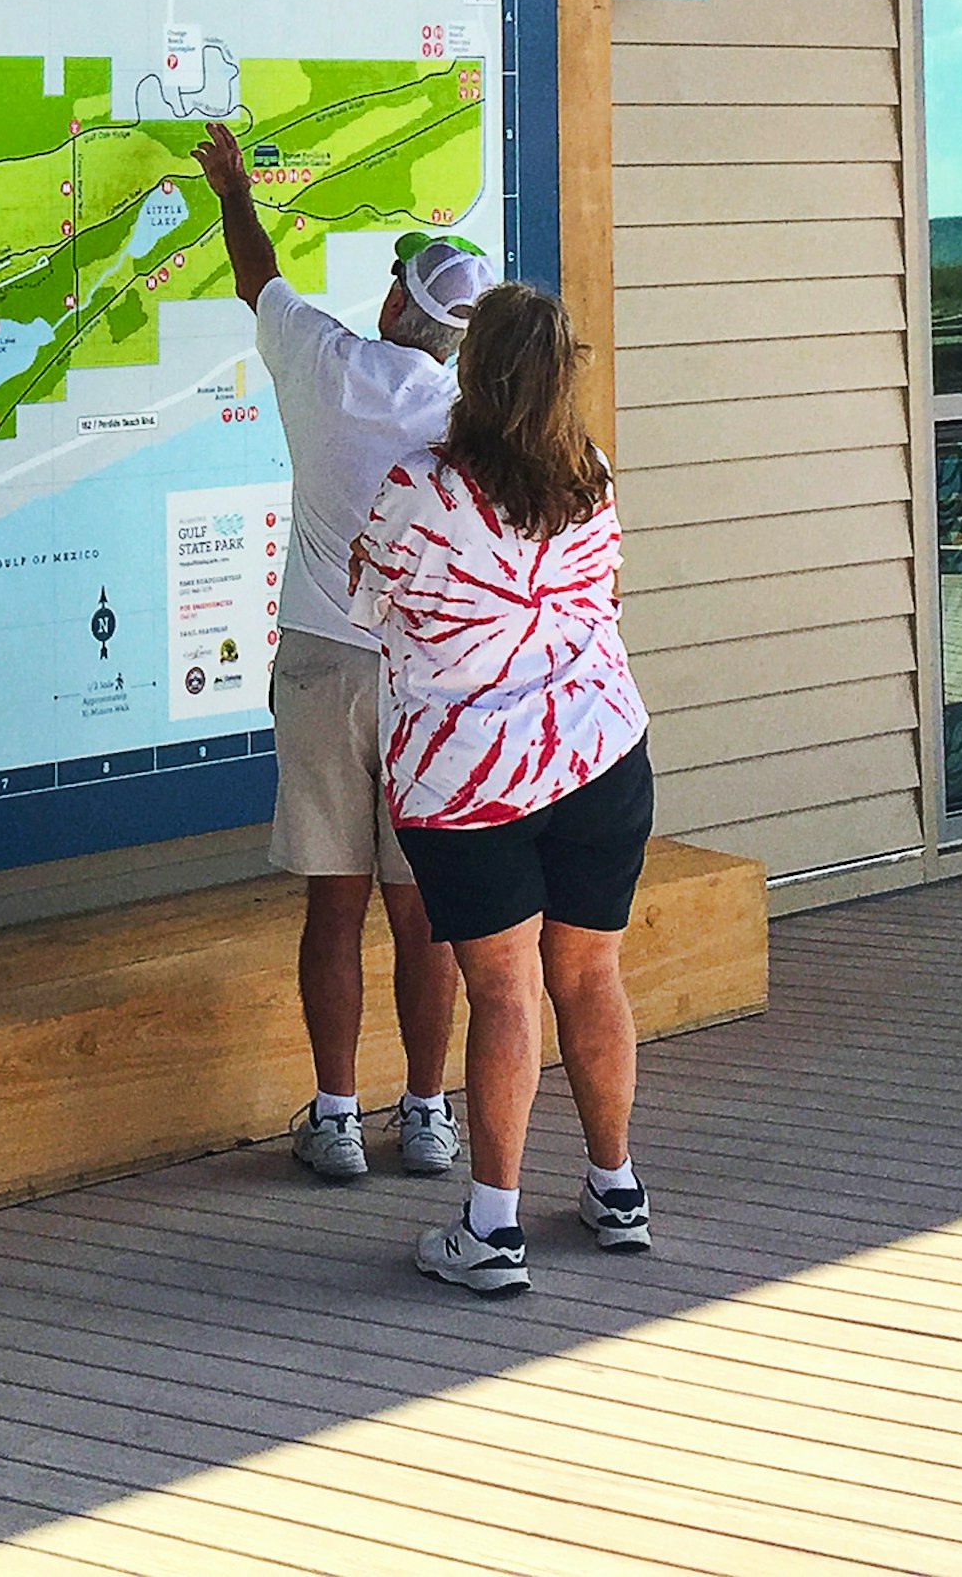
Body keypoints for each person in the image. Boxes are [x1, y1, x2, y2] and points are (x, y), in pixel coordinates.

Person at [190, 120, 484, 1185]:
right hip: (426, 678)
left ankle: (337, 1118)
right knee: (425, 910)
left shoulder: (322, 363)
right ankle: (430, 1113)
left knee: (336, 900)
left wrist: (232, 185)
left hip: (322, 665)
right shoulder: (469, 414)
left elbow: (256, 271)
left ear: (404, 303)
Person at [347, 279, 654, 1295]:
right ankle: (615, 1190)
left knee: (502, 991)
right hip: (602, 755)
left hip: (470, 781)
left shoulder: (418, 488)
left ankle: (493, 1231)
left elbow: (364, 604)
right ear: (566, 376)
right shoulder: (593, 475)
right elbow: (599, 595)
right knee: (589, 976)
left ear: (470, 375)